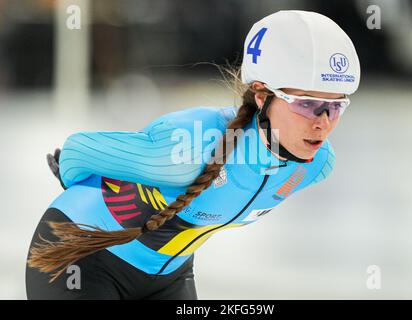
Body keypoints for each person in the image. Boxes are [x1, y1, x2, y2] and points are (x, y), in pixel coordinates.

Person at [26, 10, 360, 300]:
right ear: (261, 95)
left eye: (336, 106)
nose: (324, 123)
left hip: (167, 276)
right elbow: (77, 149)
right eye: (307, 104)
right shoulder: (191, 146)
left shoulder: (316, 164)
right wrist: (73, 181)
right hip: (80, 256)